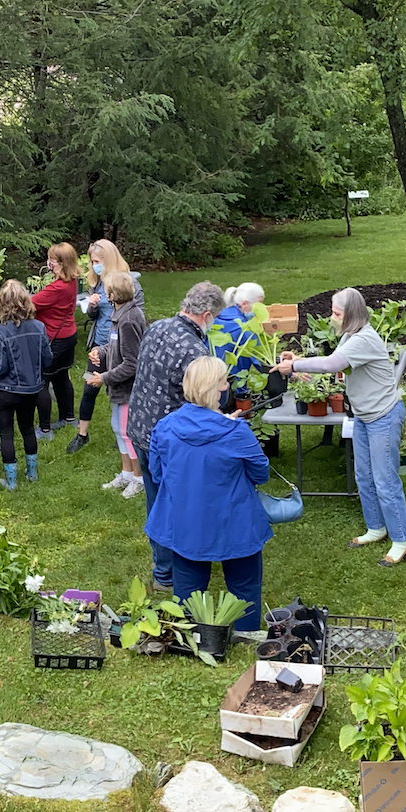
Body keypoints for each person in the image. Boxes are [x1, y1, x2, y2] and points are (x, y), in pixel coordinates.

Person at [279, 289, 406, 563]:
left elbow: (334, 363)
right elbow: (340, 368)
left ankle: (402, 541)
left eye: (336, 313)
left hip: (383, 416)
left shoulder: (363, 339)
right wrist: (303, 371)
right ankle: (376, 528)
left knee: (385, 480)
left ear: (351, 314)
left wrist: (295, 364)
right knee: (364, 476)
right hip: (364, 416)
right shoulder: (350, 336)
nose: (332, 317)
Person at [143, 355, 271, 637]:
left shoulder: (165, 427)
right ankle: (247, 634)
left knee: (187, 580)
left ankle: (188, 634)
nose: (228, 384)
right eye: (225, 379)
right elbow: (261, 473)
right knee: (244, 581)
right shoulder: (237, 432)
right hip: (234, 519)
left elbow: (157, 472)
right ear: (217, 388)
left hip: (185, 519)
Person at [128, 281, 226, 588]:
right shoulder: (193, 349)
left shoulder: (157, 326)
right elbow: (205, 399)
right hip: (169, 440)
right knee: (174, 505)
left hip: (140, 427)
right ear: (207, 314)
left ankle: (163, 567)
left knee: (156, 501)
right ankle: (170, 573)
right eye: (216, 317)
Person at [0, 280, 51, 490]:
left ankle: (11, 481)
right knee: (27, 429)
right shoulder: (39, 327)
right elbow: (48, 359)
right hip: (31, 390)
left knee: (6, 433)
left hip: (5, 392)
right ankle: (32, 473)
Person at [85, 272, 148, 497]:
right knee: (118, 429)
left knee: (128, 432)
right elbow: (117, 347)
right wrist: (100, 351)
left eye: (105, 291)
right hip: (120, 388)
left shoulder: (129, 319)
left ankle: (139, 478)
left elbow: (132, 362)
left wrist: (103, 378)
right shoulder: (119, 314)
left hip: (129, 389)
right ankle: (127, 474)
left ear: (112, 294)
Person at [74, 239, 134, 453]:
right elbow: (94, 315)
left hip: (120, 348)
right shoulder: (97, 283)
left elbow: (135, 314)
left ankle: (127, 433)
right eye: (92, 262)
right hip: (99, 345)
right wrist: (91, 306)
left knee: (122, 392)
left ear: (109, 260)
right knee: (89, 385)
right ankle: (82, 434)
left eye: (97, 261)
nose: (94, 265)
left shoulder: (128, 282)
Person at [33, 242, 84, 434]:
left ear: (62, 263)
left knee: (41, 381)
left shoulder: (56, 289)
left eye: (52, 261)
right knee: (62, 377)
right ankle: (68, 417)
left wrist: (3, 298)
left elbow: (29, 305)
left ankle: (44, 429)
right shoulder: (71, 282)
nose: (48, 264)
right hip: (68, 335)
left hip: (54, 340)